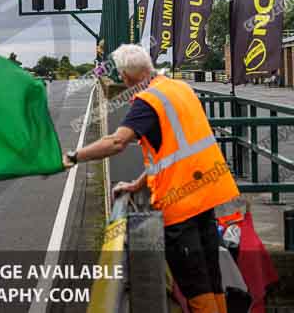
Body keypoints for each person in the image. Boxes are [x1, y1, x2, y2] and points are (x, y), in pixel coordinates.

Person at [62, 44, 239, 313]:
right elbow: (172, 153)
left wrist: (75, 156)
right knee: (212, 279)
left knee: (195, 286)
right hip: (207, 194)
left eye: (121, 75)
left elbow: (116, 142)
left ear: (125, 76)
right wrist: (138, 184)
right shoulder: (179, 88)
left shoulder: (147, 101)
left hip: (181, 204)